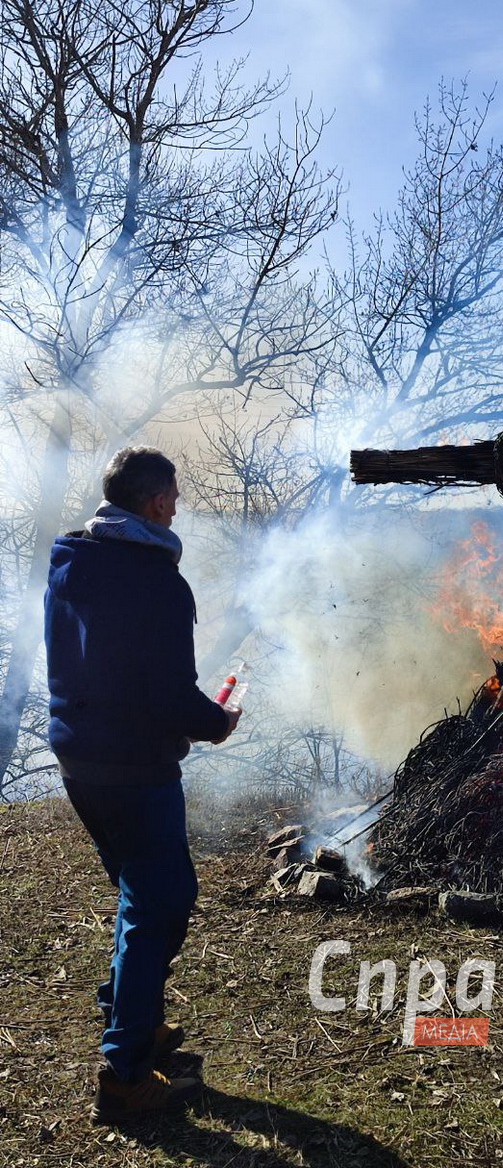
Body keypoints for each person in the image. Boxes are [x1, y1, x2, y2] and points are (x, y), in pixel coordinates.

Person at [44, 447, 241, 1123]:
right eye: (175, 494)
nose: (179, 505)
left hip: (80, 762)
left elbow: (100, 670)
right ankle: (124, 1069)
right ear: (155, 501)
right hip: (135, 769)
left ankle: (136, 1017)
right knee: (157, 902)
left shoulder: (71, 561)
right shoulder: (156, 580)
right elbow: (167, 693)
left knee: (148, 897)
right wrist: (217, 721)